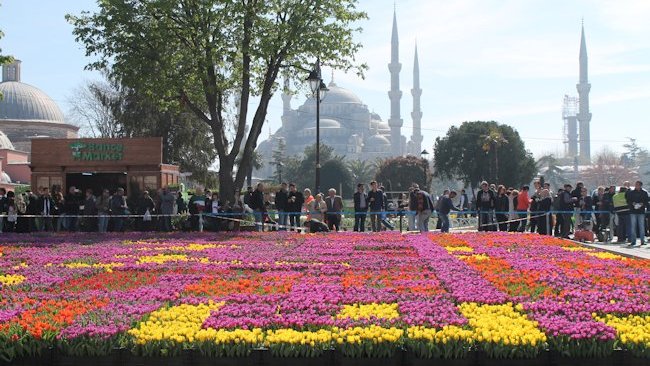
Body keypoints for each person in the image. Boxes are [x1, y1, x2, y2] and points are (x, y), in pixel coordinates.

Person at [627, 181, 648, 246]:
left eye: (638, 185)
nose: (636, 186)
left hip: (641, 211)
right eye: (636, 185)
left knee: (642, 226)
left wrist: (642, 204)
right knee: (633, 226)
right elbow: (628, 200)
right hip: (633, 211)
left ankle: (642, 241)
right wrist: (632, 203)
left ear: (641, 185)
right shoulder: (631, 193)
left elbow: (646, 201)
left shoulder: (644, 193)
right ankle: (633, 241)